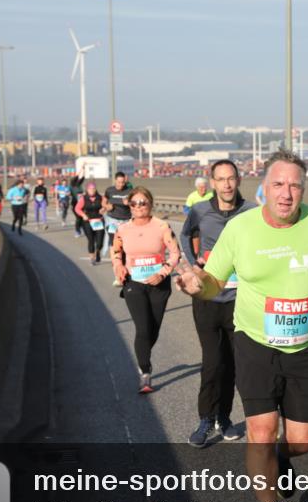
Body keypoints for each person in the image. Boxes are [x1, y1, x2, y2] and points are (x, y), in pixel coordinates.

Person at [175, 150, 308, 502]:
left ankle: (283, 457)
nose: (286, 193)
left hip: (306, 346)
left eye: (294, 185)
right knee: (260, 431)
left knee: (304, 440)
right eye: (278, 184)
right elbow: (214, 281)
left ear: (303, 190)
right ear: (264, 189)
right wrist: (195, 285)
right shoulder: (241, 229)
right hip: (254, 342)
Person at [179, 160, 256, 446]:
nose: (226, 184)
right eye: (220, 179)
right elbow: (186, 235)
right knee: (213, 361)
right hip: (208, 298)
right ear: (212, 182)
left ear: (238, 180)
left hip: (239, 300)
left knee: (233, 363)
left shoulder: (252, 212)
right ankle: (205, 420)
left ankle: (224, 418)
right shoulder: (200, 210)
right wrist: (193, 264)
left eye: (231, 179)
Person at [111, 187, 182, 394]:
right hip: (134, 283)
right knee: (142, 329)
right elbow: (116, 253)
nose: (139, 207)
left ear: (151, 204)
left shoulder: (162, 226)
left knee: (153, 329)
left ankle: (142, 354)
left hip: (158, 284)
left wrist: (163, 272)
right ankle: (145, 372)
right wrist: (119, 267)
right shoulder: (123, 229)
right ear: (129, 206)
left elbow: (175, 253)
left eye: (143, 202)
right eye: (135, 203)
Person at [104, 172, 134, 285]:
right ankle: (117, 275)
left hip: (126, 221)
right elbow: (104, 201)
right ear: (115, 180)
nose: (121, 184)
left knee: (125, 248)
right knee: (114, 246)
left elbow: (134, 203)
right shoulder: (110, 190)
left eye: (123, 182)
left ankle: (126, 270)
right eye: (119, 182)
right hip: (112, 221)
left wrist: (129, 203)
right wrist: (107, 206)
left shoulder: (129, 191)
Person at [75, 182, 106, 264]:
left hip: (99, 221)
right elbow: (77, 208)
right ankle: (92, 258)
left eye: (93, 189)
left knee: (99, 242)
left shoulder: (101, 198)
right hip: (88, 222)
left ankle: (98, 251)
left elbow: (106, 205)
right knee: (91, 240)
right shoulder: (83, 199)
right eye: (90, 189)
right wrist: (83, 215)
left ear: (96, 189)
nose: (92, 190)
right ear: (87, 190)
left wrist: (103, 209)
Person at [71, 171, 86, 238]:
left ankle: (81, 228)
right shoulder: (72, 186)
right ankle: (77, 231)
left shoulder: (79, 186)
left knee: (82, 218)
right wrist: (81, 168)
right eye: (76, 180)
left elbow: (83, 176)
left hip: (82, 205)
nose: (78, 181)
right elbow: (77, 176)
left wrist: (84, 168)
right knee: (78, 218)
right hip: (74, 205)